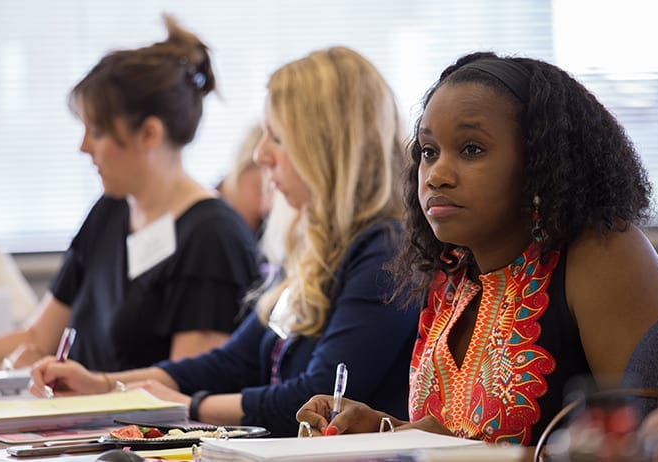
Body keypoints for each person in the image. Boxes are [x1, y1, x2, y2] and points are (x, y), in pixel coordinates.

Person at [29, 46, 419, 437]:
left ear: (330, 148)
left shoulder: (386, 252)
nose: (260, 154)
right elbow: (232, 361)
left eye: (278, 138)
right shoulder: (316, 245)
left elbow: (312, 400)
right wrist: (106, 385)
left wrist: (188, 405)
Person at [296, 51, 658, 446]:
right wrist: (382, 431)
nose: (437, 176)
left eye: (471, 150)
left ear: (540, 164)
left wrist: (454, 446)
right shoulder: (453, 273)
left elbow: (657, 444)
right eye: (429, 152)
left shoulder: (601, 252)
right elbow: (460, 436)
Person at [0, 16, 261, 372]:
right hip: (81, 422)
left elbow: (184, 388)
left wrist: (93, 391)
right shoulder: (109, 211)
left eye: (98, 132)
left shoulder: (213, 238)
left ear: (149, 134)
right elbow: (38, 339)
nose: (83, 147)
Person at [216, 123, 273, 238]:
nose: (264, 207)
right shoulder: (205, 216)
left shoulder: (269, 229)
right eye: (259, 189)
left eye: (272, 193)